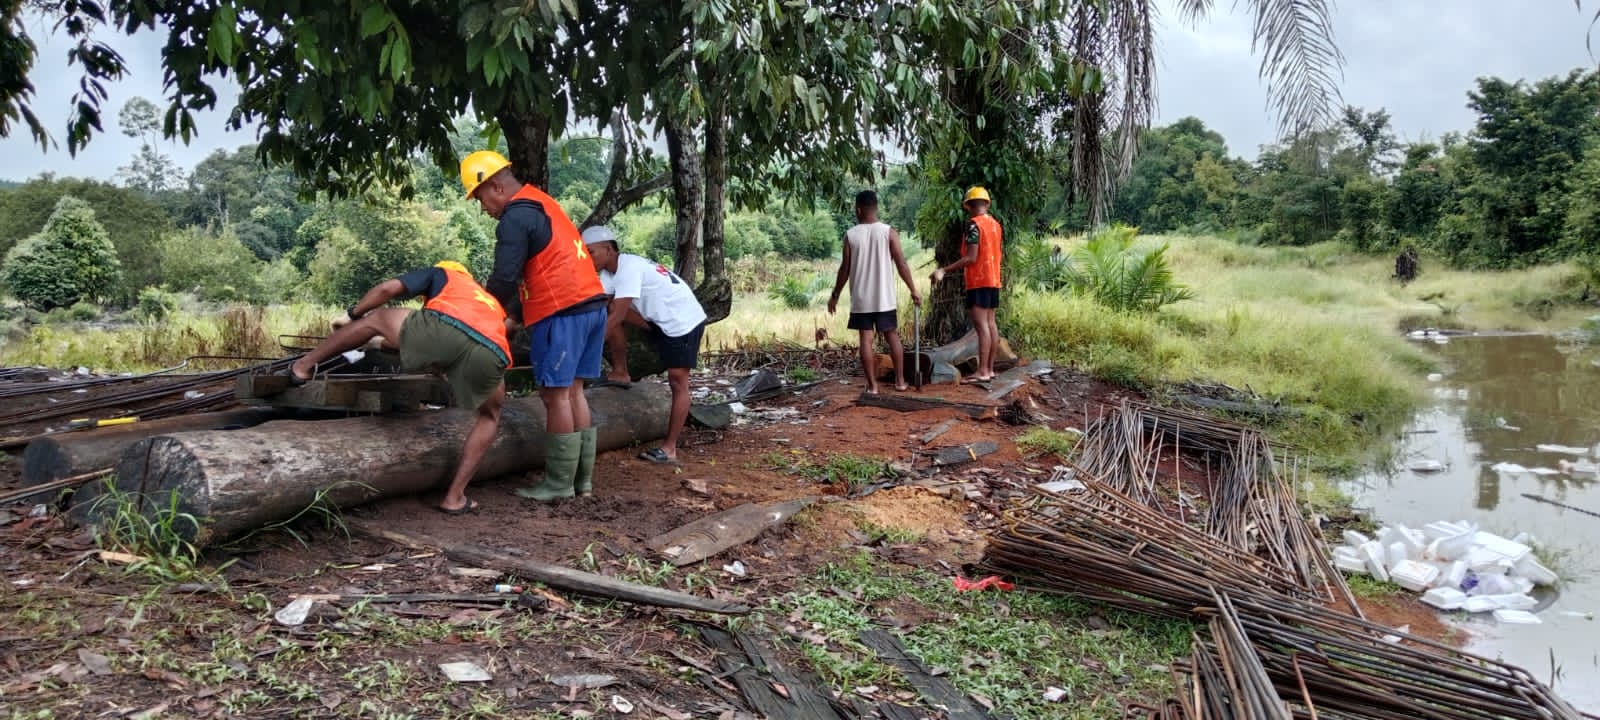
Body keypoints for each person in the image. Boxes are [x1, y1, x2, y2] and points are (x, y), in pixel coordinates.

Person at [284, 261, 509, 515]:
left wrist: (353, 316)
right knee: (490, 416)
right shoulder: (488, 301)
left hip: (448, 329)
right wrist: (375, 345)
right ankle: (455, 497)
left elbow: (386, 290)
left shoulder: (444, 274)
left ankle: (301, 368)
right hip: (492, 349)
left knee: (378, 318)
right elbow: (441, 340)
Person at [460, 150, 609, 501]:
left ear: (495, 186)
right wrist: (511, 318)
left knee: (555, 396)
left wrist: (480, 316)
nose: (483, 208)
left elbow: (504, 277)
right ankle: (580, 482)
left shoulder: (515, 217)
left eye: (480, 198)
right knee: (574, 392)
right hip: (591, 305)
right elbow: (538, 267)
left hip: (561, 311)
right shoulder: (542, 203)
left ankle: (558, 484)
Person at [581, 226, 708, 464]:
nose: (587, 259)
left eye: (591, 252)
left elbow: (618, 317)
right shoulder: (609, 273)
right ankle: (621, 373)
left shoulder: (628, 268)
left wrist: (583, 351)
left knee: (678, 382)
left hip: (682, 322)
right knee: (606, 311)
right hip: (658, 319)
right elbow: (604, 309)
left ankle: (669, 449)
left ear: (608, 249)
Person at [827, 190, 922, 394]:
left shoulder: (851, 235)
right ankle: (900, 381)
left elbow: (844, 269)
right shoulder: (889, 232)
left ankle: (872, 386)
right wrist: (913, 289)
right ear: (876, 208)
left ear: (858, 209)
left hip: (861, 299)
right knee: (892, 336)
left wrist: (835, 295)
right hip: (884, 298)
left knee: (866, 339)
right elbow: (901, 263)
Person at [931, 186, 1003, 383]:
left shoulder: (973, 225)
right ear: (987, 203)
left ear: (968, 206)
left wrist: (944, 270)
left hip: (979, 280)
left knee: (981, 326)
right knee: (990, 323)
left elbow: (971, 258)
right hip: (994, 279)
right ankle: (990, 369)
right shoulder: (995, 225)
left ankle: (982, 371)